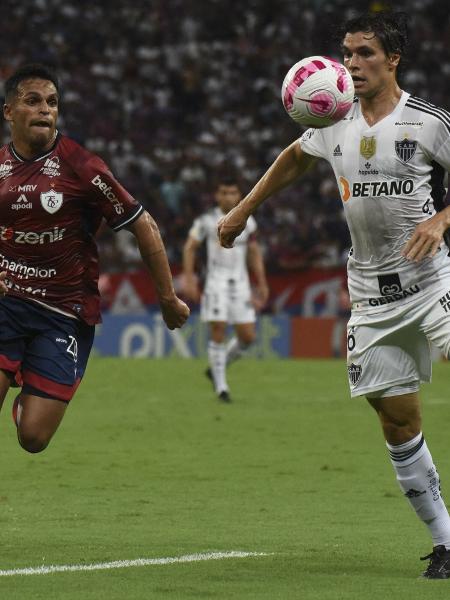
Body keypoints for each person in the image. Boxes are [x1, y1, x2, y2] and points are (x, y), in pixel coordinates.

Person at [218, 12, 450, 578]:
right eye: (347, 53)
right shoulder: (333, 118)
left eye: (365, 53)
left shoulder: (428, 123)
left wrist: (442, 219)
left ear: (393, 59)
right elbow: (294, 159)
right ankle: (447, 541)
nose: (351, 63)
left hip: (435, 280)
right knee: (396, 421)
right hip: (371, 293)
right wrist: (245, 208)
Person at [0, 63, 189, 453]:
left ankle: (27, 404)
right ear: (8, 112)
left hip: (64, 310)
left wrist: (167, 298)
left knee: (33, 438)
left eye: (52, 103)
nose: (45, 111)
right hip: (7, 301)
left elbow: (144, 225)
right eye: (32, 101)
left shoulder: (83, 166)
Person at [183, 178, 268, 402]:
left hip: (240, 284)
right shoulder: (206, 221)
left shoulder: (248, 221)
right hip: (215, 283)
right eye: (224, 192)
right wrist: (190, 279)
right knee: (218, 329)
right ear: (217, 196)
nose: (228, 196)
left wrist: (261, 281)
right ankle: (222, 387)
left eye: (232, 192)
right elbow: (190, 248)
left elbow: (254, 252)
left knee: (248, 337)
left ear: (239, 195)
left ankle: (216, 368)